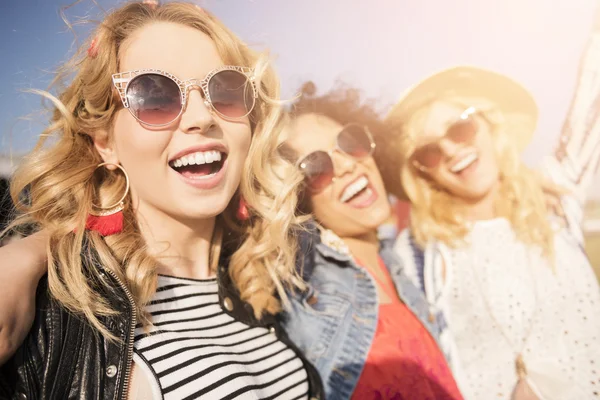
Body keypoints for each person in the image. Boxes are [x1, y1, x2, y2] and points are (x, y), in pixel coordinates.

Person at [0, 2, 324, 399]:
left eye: (224, 89)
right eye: (153, 95)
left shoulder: (273, 270)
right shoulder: (57, 310)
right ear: (105, 143)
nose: (202, 117)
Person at [378, 64, 600, 399]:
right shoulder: (418, 252)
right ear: (424, 173)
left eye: (460, 128)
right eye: (429, 151)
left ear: (489, 125)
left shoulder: (556, 199)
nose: (451, 151)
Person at [279, 83, 463, 400]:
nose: (349, 164)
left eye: (350, 143)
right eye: (317, 167)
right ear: (296, 196)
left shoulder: (399, 266)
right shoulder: (304, 292)